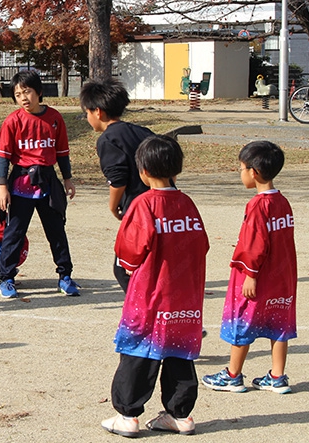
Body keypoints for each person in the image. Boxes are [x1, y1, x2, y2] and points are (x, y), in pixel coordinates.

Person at [102, 135, 209, 438]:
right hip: (185, 297)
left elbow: (128, 254)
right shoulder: (187, 203)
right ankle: (180, 415)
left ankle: (127, 414)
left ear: (143, 171)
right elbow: (202, 245)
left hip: (150, 297)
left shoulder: (144, 204)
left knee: (138, 354)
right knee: (179, 354)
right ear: (177, 169)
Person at [202, 141, 296, 394]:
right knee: (279, 322)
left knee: (243, 320)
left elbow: (254, 244)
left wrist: (250, 275)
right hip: (282, 276)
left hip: (257, 275)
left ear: (253, 172)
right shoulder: (282, 202)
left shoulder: (257, 206)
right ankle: (277, 376)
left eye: (241, 168)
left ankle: (233, 374)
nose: (240, 173)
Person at [0, 70, 79, 299]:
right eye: (18, 93)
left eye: (27, 91)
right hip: (20, 183)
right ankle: (7, 278)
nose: (23, 97)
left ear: (38, 92)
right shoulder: (13, 121)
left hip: (48, 182)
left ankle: (65, 276)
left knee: (56, 231)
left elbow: (62, 152)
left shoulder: (54, 118)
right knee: (14, 233)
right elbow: (2, 157)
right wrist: (3, 188)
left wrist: (68, 179)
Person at [80, 79, 154, 292]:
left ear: (98, 112)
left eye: (87, 113)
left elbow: (118, 180)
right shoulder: (144, 131)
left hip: (137, 209)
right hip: (159, 204)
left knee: (123, 268)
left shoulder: (108, 139)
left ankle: (144, 315)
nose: (87, 118)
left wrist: (113, 207)